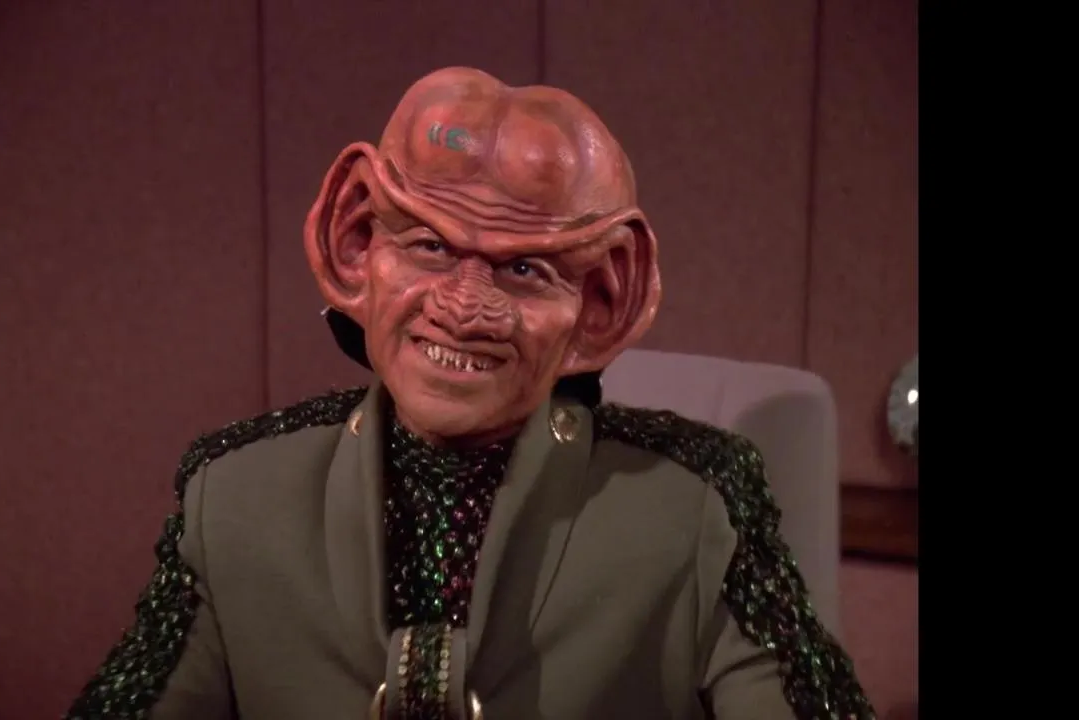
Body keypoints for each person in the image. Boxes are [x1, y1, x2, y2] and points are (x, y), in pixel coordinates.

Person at [65, 67, 873, 720]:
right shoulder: (236, 495)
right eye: (428, 245)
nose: (461, 306)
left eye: (524, 268)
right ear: (355, 244)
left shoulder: (696, 506)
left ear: (603, 302)